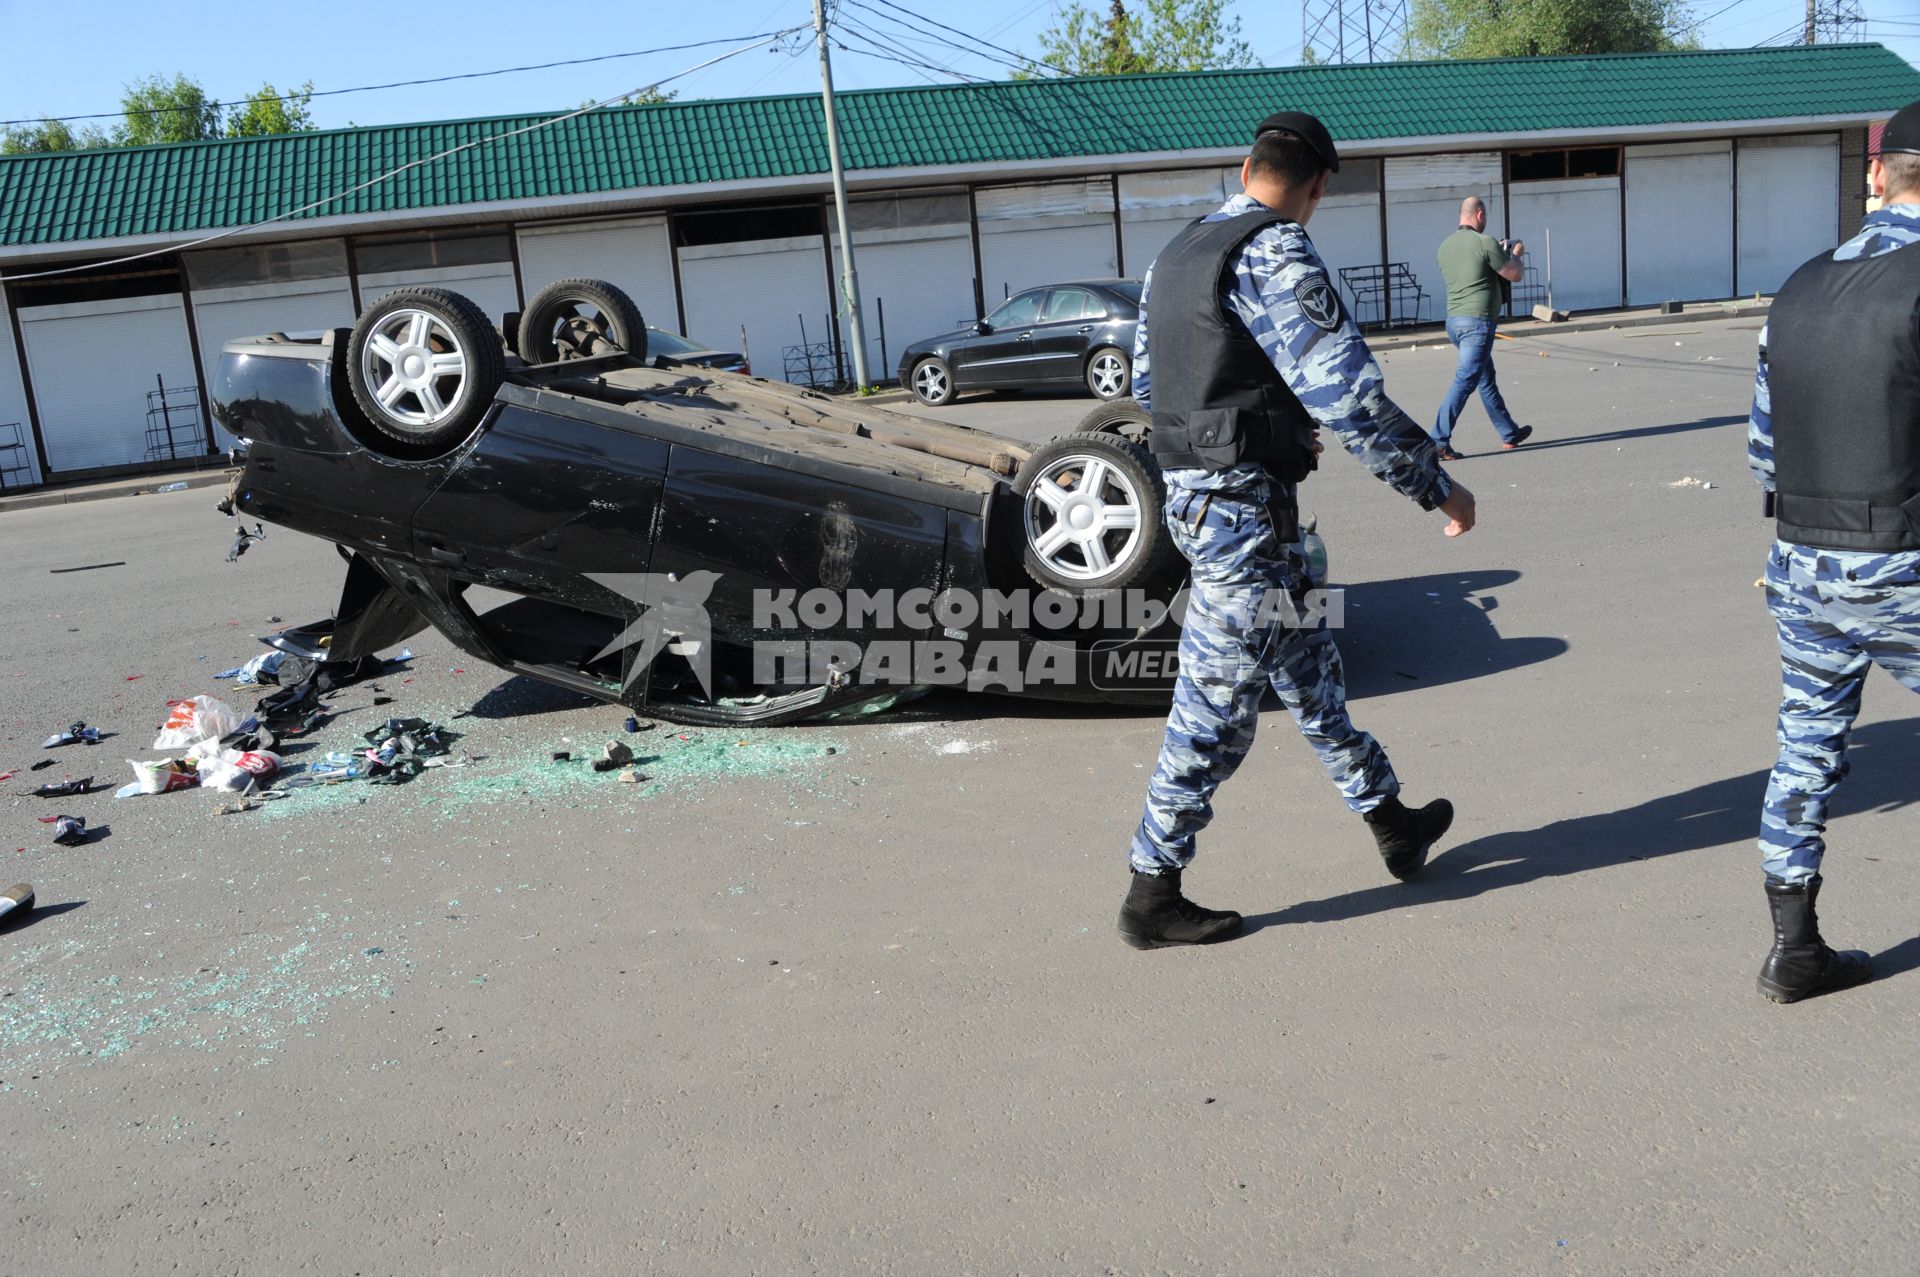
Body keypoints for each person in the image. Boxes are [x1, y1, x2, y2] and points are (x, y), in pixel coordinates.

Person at [1118, 111, 1476, 949]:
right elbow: (1347, 397)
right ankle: (1151, 889)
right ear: (1316, 187)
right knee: (1212, 712)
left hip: (1205, 498)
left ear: (1247, 166)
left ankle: (1393, 820)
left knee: (1310, 672)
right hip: (1242, 516)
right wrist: (1438, 487)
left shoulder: (1177, 253)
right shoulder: (1274, 246)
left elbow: (1150, 380)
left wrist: (1258, 417)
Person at [1745, 99, 1920, 1002]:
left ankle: (1793, 947)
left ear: (1876, 175)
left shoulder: (1800, 285)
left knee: (1804, 749)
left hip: (1806, 563)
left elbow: (1761, 453)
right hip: (1906, 559)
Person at [1431, 197, 1532, 460]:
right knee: (1465, 380)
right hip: (1477, 323)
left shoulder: (1444, 246)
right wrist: (1516, 253)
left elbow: (1472, 272)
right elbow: (1514, 274)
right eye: (1484, 216)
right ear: (1479, 214)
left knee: (1485, 377)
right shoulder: (1485, 242)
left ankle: (1509, 433)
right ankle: (1438, 440)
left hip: (1454, 322)